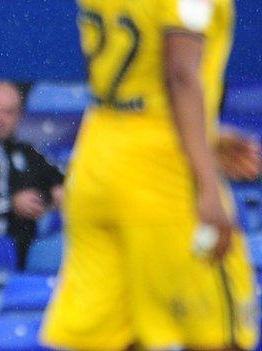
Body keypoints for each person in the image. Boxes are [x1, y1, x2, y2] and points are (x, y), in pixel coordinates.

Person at [40, 0, 260, 350]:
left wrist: (208, 136)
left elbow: (134, 83)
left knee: (115, 339)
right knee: (219, 335)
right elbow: (180, 74)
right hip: (161, 174)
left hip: (96, 161)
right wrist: (207, 182)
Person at [0, 80, 64, 268]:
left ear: (19, 115)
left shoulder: (28, 153)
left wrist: (52, 195)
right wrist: (11, 204)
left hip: (21, 257)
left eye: (8, 112)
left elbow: (58, 181)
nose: (0, 119)